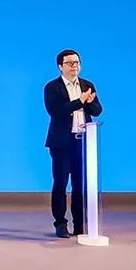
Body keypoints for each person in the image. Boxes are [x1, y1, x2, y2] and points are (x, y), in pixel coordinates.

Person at [44, 49, 102, 238]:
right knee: (61, 183)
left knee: (80, 185)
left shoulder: (87, 85)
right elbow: (56, 111)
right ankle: (60, 223)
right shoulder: (52, 87)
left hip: (83, 142)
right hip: (62, 142)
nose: (74, 66)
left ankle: (80, 224)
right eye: (70, 63)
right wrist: (80, 101)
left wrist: (89, 102)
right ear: (60, 67)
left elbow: (97, 110)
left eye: (77, 62)